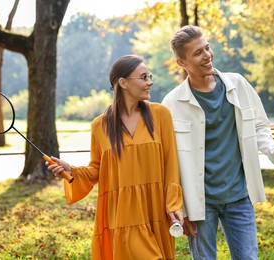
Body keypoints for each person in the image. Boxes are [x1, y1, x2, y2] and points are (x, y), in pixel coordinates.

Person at [161, 25, 274, 260]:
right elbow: (168, 161)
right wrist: (182, 208)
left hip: (239, 197)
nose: (207, 55)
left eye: (207, 47)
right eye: (198, 53)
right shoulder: (171, 103)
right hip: (200, 204)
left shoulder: (239, 84)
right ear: (182, 63)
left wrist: (273, 151)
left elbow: (260, 126)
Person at [47, 54, 184, 260]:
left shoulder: (160, 115)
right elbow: (97, 170)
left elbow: (171, 163)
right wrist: (71, 170)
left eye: (150, 76)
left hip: (154, 208)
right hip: (121, 213)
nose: (150, 82)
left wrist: (174, 203)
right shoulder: (100, 126)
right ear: (123, 83)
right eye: (144, 77)